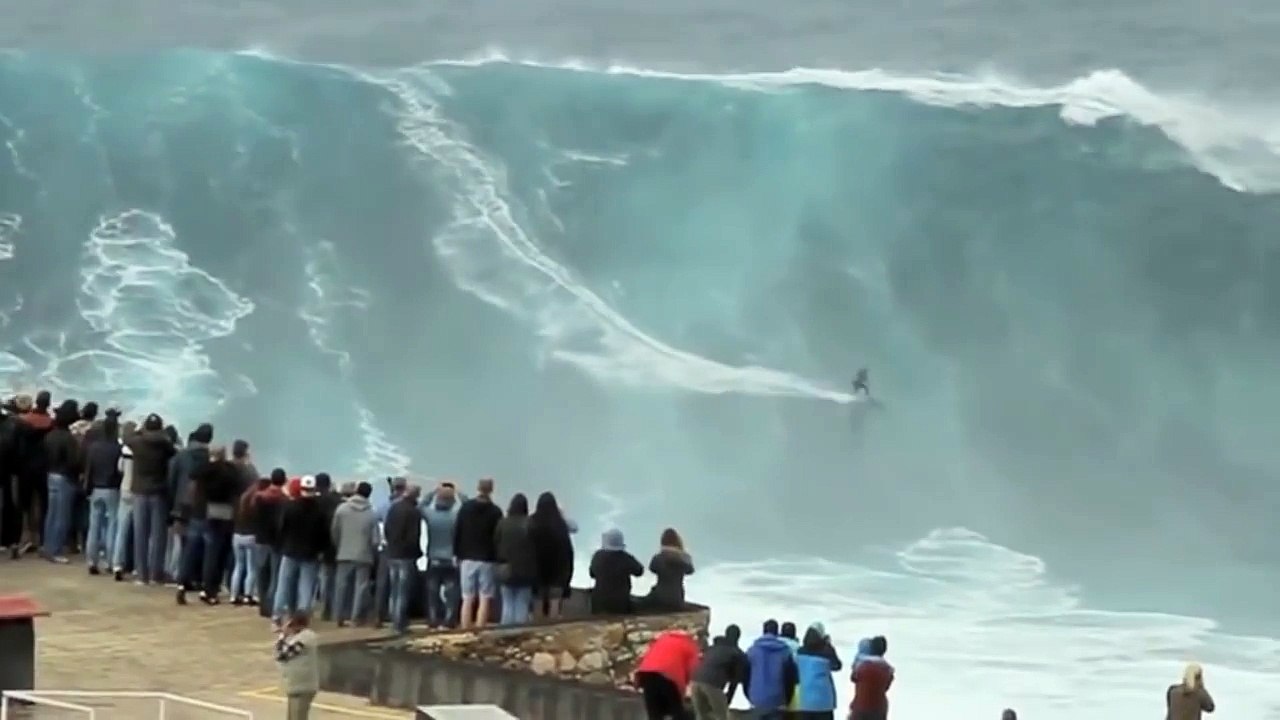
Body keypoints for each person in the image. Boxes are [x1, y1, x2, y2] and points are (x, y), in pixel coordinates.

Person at [180, 445, 241, 605]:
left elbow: (192, 474)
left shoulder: (202, 469)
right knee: (211, 555)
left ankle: (182, 584)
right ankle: (209, 591)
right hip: (218, 515)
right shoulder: (229, 470)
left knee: (190, 551)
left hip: (198, 513)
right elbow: (237, 485)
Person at [128, 413, 176, 585]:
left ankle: (142, 574)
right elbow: (173, 451)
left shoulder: (137, 442)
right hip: (158, 492)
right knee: (158, 535)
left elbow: (127, 436)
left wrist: (140, 430)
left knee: (140, 533)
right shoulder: (165, 445)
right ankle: (156, 574)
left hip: (140, 491)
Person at [274, 475, 329, 623]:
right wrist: (321, 550)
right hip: (310, 554)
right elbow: (324, 534)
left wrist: (281, 545)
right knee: (306, 587)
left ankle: (278, 616)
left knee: (284, 585)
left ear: (301, 489)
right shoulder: (319, 511)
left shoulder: (290, 507)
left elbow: (282, 529)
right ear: (314, 489)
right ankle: (302, 618)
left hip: (290, 551)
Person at [453, 477, 504, 629]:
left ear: (478, 488)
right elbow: (498, 537)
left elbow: (457, 531)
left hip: (467, 558)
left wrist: (456, 553)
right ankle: (480, 629)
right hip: (487, 559)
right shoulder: (496, 511)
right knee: (485, 597)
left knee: (467, 597)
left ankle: (465, 628)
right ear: (492, 489)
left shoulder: (466, 508)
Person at [331, 481, 379, 627]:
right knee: (361, 587)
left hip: (344, 552)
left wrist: (340, 545)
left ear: (356, 491)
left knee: (341, 585)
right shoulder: (372, 513)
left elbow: (335, 531)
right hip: (364, 555)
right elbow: (376, 540)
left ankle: (338, 616)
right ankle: (355, 618)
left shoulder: (342, 509)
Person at [40, 400, 82, 563]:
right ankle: (55, 551)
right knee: (62, 517)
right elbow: (74, 461)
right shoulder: (68, 438)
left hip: (51, 475)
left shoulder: (50, 435)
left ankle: (47, 546)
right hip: (65, 478)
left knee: (51, 514)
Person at [419, 481, 464, 629]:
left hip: (433, 557)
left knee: (432, 592)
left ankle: (433, 619)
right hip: (451, 558)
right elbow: (467, 506)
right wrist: (457, 493)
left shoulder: (431, 515)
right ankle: (449, 620)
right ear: (451, 502)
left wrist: (434, 491)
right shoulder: (455, 516)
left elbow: (420, 506)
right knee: (451, 593)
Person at [82, 413, 122, 574]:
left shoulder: (94, 447)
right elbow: (119, 472)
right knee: (112, 526)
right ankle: (110, 561)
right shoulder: (117, 448)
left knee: (94, 526)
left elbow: (89, 469)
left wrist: (88, 488)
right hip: (112, 489)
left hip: (96, 488)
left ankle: (92, 560)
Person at [383, 484, 423, 634]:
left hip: (392, 553)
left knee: (394, 589)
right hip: (406, 556)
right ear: (416, 496)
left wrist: (391, 544)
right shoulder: (414, 512)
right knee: (403, 591)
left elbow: (387, 528)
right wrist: (417, 553)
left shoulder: (394, 508)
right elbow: (414, 536)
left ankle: (393, 618)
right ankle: (400, 623)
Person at [634, 629, 700, 720]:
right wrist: (686, 688)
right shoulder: (690, 645)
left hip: (646, 674)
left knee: (654, 712)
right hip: (669, 677)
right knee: (677, 711)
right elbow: (693, 669)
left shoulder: (662, 639)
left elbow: (646, 657)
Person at [527, 491, 574, 620]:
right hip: (558, 571)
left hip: (538, 569)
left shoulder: (532, 521)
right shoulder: (561, 524)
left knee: (538, 599)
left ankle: (537, 628)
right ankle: (551, 628)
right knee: (554, 600)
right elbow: (568, 549)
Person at [492, 493, 537, 625]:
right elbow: (536, 546)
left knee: (507, 602)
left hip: (505, 567)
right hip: (525, 569)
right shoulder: (530, 523)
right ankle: (519, 633)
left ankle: (506, 631)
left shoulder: (502, 523)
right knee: (522, 603)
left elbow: (495, 542)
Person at [689, 624, 748, 720]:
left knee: (701, 716)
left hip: (695, 680)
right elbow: (735, 680)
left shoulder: (713, 648)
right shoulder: (737, 654)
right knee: (723, 717)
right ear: (738, 637)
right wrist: (729, 697)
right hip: (712, 684)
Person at [743, 619, 799, 719]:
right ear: (777, 633)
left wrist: (749, 695)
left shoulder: (752, 651)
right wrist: (787, 699)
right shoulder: (785, 652)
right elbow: (790, 678)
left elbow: (745, 675)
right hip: (778, 700)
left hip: (756, 700)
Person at [253, 469, 288, 618]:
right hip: (276, 543)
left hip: (260, 540)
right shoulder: (284, 500)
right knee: (275, 575)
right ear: (284, 480)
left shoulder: (259, 497)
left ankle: (263, 606)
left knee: (261, 573)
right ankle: (272, 606)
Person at [275, 611, 319, 720]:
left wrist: (282, 636)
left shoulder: (306, 638)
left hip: (303, 688)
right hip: (294, 686)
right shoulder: (294, 637)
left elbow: (282, 655)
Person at [588, 528, 644, 615]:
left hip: (598, 604)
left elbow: (592, 574)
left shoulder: (598, 556)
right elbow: (640, 571)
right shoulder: (626, 558)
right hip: (620, 604)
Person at [794, 623, 842, 719]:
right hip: (823, 701)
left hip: (804, 701)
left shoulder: (800, 651)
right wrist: (828, 644)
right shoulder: (826, 651)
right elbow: (837, 666)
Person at [230, 476, 265, 605]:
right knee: (252, 568)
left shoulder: (242, 499)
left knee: (238, 566)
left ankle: (233, 595)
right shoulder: (258, 502)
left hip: (237, 536)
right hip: (251, 536)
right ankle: (248, 595)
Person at [110, 420, 137, 581]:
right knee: (139, 532)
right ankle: (135, 565)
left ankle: (117, 563)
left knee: (121, 529)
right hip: (139, 491)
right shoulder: (140, 449)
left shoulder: (125, 450)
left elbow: (120, 468)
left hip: (125, 489)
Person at [314, 473, 342, 621]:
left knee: (324, 578)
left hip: (321, 545)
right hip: (338, 544)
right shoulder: (338, 501)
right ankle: (337, 609)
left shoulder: (315, 502)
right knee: (337, 579)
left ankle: (326, 608)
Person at [646, 528, 694, 611]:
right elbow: (690, 570)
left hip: (659, 597)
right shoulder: (684, 558)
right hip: (677, 599)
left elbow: (652, 568)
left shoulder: (658, 557)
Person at [849, 635, 893, 720]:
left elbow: (853, 678)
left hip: (861, 706)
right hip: (879, 708)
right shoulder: (888, 670)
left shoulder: (862, 667)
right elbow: (886, 687)